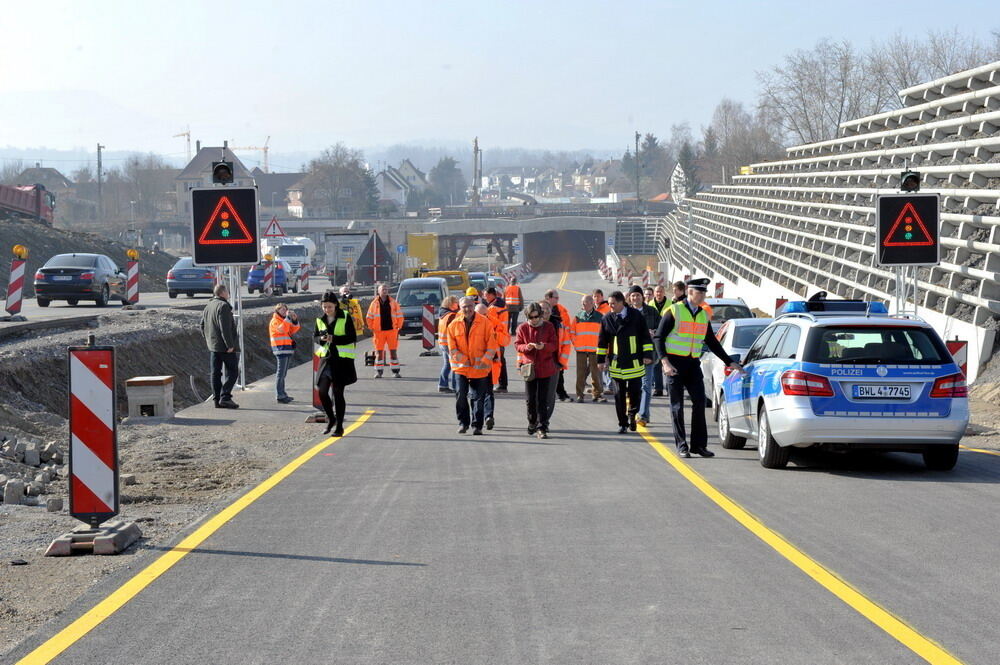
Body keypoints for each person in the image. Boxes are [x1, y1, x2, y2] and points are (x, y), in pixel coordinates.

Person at [655, 278, 742, 458]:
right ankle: (682, 445)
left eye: (704, 292)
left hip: (693, 364)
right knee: (677, 406)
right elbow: (658, 338)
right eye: (699, 292)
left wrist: (729, 361)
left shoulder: (703, 314)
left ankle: (698, 446)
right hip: (674, 364)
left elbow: (712, 342)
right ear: (689, 292)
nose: (702, 295)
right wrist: (665, 362)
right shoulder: (674, 310)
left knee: (700, 403)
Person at [596, 290, 653, 434]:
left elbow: (645, 337)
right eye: (609, 304)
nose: (611, 307)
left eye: (613, 304)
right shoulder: (607, 318)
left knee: (635, 393)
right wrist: (601, 360)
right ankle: (622, 423)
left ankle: (632, 414)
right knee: (619, 395)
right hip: (617, 363)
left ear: (622, 302)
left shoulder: (636, 316)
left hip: (634, 362)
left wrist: (647, 354)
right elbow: (602, 341)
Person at [448, 296, 497, 435]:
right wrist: (463, 359)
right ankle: (463, 423)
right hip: (461, 367)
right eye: (464, 306)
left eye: (470, 306)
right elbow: (452, 348)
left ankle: (477, 425)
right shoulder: (453, 325)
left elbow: (492, 345)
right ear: (459, 307)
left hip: (479, 368)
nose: (467, 309)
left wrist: (484, 361)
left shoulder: (485, 322)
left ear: (474, 306)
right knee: (461, 395)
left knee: (478, 398)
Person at [314, 290, 358, 436]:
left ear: (336, 305)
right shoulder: (320, 320)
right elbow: (315, 338)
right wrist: (321, 339)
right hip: (326, 359)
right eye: (324, 307)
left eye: (330, 307)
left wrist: (333, 338)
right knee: (322, 391)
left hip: (342, 361)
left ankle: (339, 426)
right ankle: (331, 418)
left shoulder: (345, 317)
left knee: (338, 394)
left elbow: (352, 337)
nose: (327, 310)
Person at [515, 301, 558, 439]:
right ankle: (532, 422)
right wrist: (526, 347)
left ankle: (542, 427)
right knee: (530, 399)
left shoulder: (549, 327)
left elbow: (554, 345)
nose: (534, 320)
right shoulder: (522, 328)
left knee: (543, 399)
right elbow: (517, 345)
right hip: (529, 368)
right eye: (531, 318)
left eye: (536, 317)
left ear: (540, 315)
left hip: (545, 368)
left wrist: (543, 346)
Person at [200, 284, 240, 409]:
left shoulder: (209, 305)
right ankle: (225, 397)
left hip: (213, 346)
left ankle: (216, 400)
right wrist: (230, 345)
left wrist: (208, 339)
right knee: (233, 371)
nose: (228, 293)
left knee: (215, 373)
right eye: (227, 291)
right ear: (223, 293)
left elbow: (202, 325)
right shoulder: (223, 306)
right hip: (224, 347)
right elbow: (225, 328)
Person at [628, 285, 660, 426]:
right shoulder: (626, 313)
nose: (635, 298)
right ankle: (634, 412)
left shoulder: (652, 312)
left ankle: (643, 416)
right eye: (633, 295)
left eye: (638, 295)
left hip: (649, 354)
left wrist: (654, 332)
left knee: (646, 385)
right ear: (630, 297)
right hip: (630, 355)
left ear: (643, 297)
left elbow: (662, 329)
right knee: (633, 386)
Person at [366, 282, 403, 378]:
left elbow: (400, 316)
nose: (385, 291)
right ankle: (379, 372)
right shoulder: (374, 304)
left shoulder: (393, 302)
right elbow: (369, 317)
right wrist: (372, 328)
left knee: (393, 351)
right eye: (383, 289)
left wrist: (398, 327)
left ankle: (395, 371)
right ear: (379, 291)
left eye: (386, 289)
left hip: (392, 331)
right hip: (379, 332)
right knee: (379, 352)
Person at [572, 294, 605, 403]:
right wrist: (576, 345)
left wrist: (603, 349)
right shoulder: (578, 316)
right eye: (582, 303)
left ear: (591, 303)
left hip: (594, 350)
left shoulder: (600, 317)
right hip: (581, 349)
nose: (582, 305)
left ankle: (597, 394)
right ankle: (580, 395)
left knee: (595, 373)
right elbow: (572, 332)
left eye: (584, 303)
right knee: (580, 373)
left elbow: (604, 334)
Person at [268, 302, 301, 403]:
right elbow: (282, 330)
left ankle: (282, 394)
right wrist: (287, 318)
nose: (284, 311)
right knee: (280, 373)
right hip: (280, 349)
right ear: (277, 311)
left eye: (285, 309)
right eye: (281, 309)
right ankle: (280, 395)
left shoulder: (284, 320)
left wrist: (294, 320)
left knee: (283, 374)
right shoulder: (275, 321)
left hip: (286, 349)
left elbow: (292, 330)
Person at [544, 289, 572, 403]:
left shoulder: (561, 311)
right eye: (555, 297)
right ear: (548, 298)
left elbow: (566, 328)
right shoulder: (539, 310)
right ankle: (545, 396)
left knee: (559, 372)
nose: (557, 299)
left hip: (557, 348)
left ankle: (561, 394)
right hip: (544, 348)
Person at [484, 287, 510, 393]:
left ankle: (501, 385)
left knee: (498, 362)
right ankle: (503, 384)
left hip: (496, 337)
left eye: (486, 295)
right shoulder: (502, 304)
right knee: (501, 361)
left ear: (492, 295)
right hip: (502, 336)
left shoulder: (493, 308)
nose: (484, 297)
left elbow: (490, 324)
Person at [650, 284, 671, 397]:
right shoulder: (650, 304)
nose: (659, 294)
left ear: (664, 293)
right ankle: (658, 389)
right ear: (654, 293)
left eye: (661, 291)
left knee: (668, 363)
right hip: (654, 339)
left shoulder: (671, 305)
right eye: (657, 291)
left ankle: (669, 388)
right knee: (657, 365)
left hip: (667, 338)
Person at [437, 295, 460, 393]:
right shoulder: (451, 315)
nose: (458, 304)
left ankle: (442, 385)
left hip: (442, 342)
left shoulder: (443, 314)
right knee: (454, 365)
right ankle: (455, 386)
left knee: (447, 365)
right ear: (451, 304)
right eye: (456, 302)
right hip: (449, 343)